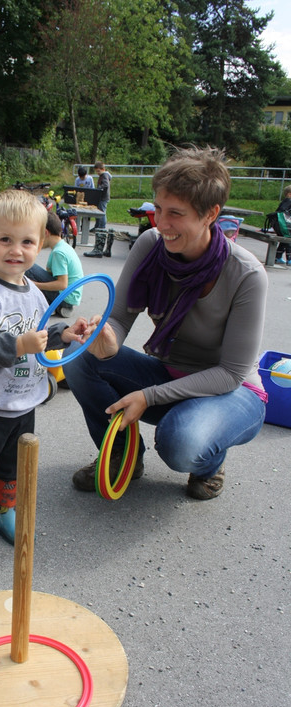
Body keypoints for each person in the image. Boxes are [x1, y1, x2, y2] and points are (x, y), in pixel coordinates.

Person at [64, 146, 268, 502]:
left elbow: (230, 374)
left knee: (179, 441)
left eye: (176, 213)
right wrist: (107, 340)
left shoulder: (246, 274)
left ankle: (209, 464)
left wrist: (149, 396)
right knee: (80, 354)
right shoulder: (151, 245)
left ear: (210, 214)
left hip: (232, 393)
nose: (161, 223)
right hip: (170, 375)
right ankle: (122, 456)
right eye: (158, 209)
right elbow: (120, 317)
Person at [0, 189, 88, 570]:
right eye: (5, 240)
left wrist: (64, 334)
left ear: (40, 244)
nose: (16, 250)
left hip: (24, 402)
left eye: (26, 241)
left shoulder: (33, 293)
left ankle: (2, 512)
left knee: (12, 466)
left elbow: (39, 335)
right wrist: (17, 345)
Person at [24, 211, 84, 318]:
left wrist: (34, 284)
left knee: (28, 267)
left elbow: (62, 284)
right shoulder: (63, 246)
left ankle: (49, 305)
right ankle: (51, 305)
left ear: (46, 233)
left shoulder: (59, 253)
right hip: (69, 297)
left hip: (65, 298)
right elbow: (51, 275)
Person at [91, 161, 112, 232]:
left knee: (102, 212)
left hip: (104, 197)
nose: (97, 173)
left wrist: (99, 188)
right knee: (98, 212)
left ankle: (102, 227)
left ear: (103, 169)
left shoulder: (105, 175)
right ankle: (97, 226)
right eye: (96, 171)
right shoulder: (102, 175)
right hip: (100, 197)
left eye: (98, 171)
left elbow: (105, 184)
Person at [274, 185, 291, 265]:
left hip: (281, 226)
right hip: (284, 226)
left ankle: (278, 257)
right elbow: (282, 211)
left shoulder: (285, 201)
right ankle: (289, 259)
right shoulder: (288, 201)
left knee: (284, 240)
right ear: (289, 194)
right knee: (288, 239)